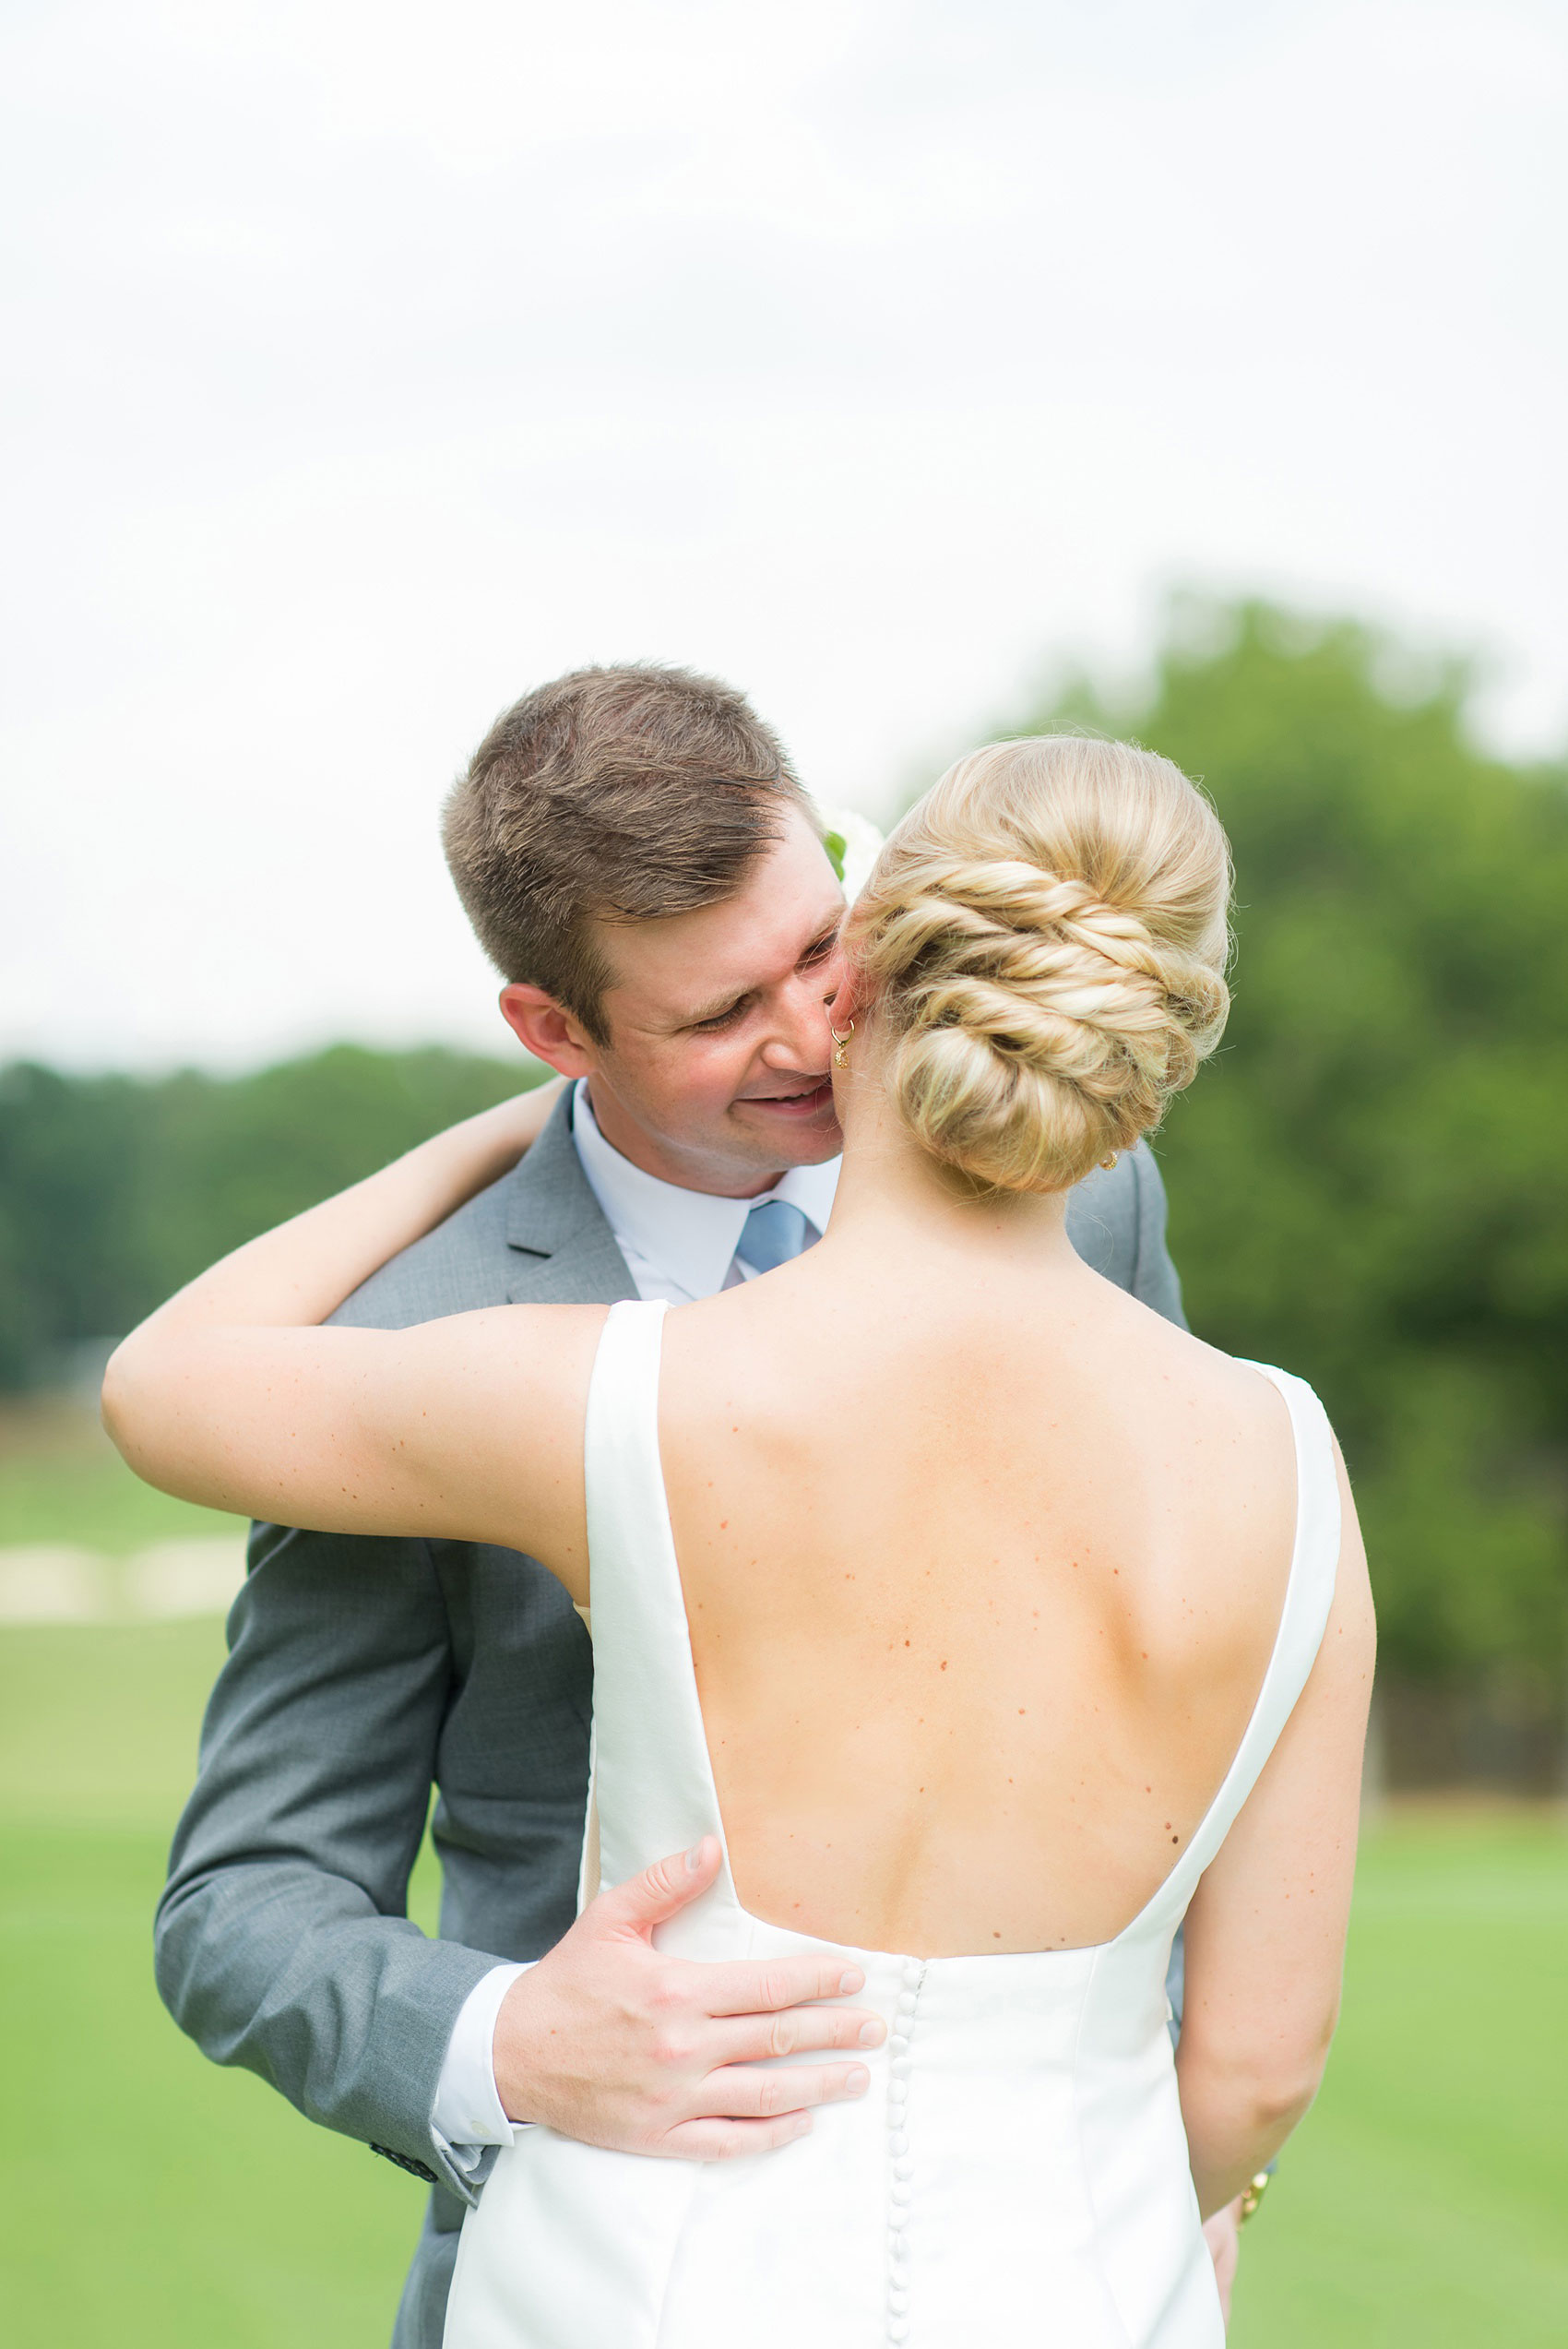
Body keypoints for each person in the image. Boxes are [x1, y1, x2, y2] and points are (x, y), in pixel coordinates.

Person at [113, 727, 1372, 2344]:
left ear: (869, 912)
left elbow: (162, 1389)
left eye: (817, 953)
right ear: (554, 1031)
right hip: (833, 2235)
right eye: (721, 1011)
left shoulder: (1094, 1208)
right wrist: (505, 2038)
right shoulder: (432, 1328)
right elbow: (246, 1901)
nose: (808, 1024)